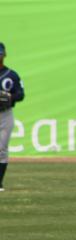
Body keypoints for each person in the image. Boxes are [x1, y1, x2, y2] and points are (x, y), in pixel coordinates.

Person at [0, 42, 25, 192]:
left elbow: (21, 94)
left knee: (1, 148)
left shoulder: (11, 75)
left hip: (5, 114)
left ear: (4, 56)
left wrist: (10, 97)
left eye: (0, 55)